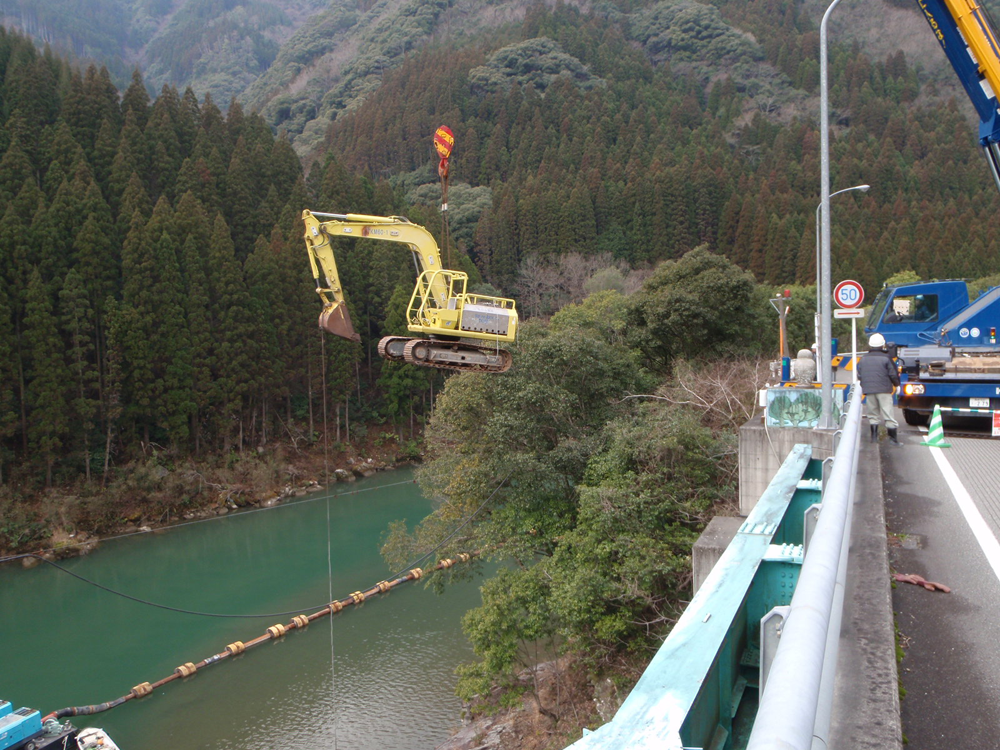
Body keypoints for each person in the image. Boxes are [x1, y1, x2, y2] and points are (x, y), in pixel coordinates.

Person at [857, 332, 901, 445]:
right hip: (884, 390)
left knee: (873, 415)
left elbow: (860, 375)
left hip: (869, 391)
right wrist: (897, 385)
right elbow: (893, 374)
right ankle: (893, 440)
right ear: (883, 345)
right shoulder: (886, 358)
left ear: (870, 345)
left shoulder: (863, 359)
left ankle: (874, 439)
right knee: (888, 414)